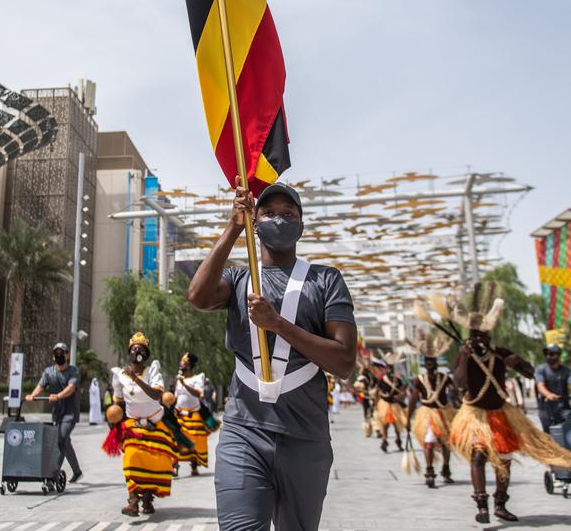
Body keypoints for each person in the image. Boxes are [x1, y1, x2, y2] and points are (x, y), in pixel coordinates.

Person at [188, 180, 357, 531]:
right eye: (268, 213)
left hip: (305, 439)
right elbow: (198, 296)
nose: (278, 220)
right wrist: (233, 228)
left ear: (301, 226)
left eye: (288, 214)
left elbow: (343, 362)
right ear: (255, 222)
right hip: (243, 432)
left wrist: (277, 323)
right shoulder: (238, 280)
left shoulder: (326, 280)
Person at [450, 290, 571, 524]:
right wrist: (465, 357)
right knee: (478, 457)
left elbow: (531, 372)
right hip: (475, 415)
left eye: (481, 334)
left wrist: (515, 362)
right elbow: (458, 383)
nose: (477, 338)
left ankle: (500, 503)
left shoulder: (500, 353)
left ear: (488, 334)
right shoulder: (464, 354)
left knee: (504, 459)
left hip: (500, 413)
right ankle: (481, 504)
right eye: (473, 334)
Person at [109, 333, 179, 516]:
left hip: (155, 421)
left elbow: (157, 395)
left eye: (141, 348)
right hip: (133, 423)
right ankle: (133, 501)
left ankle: (147, 499)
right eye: (133, 348)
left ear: (146, 353)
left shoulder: (152, 370)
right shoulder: (119, 375)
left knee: (153, 462)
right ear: (129, 352)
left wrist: (136, 378)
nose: (137, 350)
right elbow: (117, 402)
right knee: (131, 456)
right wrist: (114, 419)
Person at [26, 342, 83, 483]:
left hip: (70, 413)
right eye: (56, 352)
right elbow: (40, 386)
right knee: (65, 442)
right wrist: (32, 395)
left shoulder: (73, 371)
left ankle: (53, 472)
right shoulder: (48, 372)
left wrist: (58, 396)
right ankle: (77, 471)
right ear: (53, 357)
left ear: (67, 355)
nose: (59, 355)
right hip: (56, 413)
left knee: (61, 439)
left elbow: (70, 388)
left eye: (62, 352)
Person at [406, 332, 456, 488]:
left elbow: (455, 392)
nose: (430, 364)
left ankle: (446, 468)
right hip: (427, 414)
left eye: (432, 361)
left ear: (436, 362)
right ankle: (429, 470)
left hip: (444, 413)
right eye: (427, 362)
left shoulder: (445, 378)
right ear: (424, 363)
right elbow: (413, 400)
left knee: (446, 444)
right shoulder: (419, 380)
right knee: (429, 442)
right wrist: (408, 419)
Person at [172, 352, 209, 476]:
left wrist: (184, 384)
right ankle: (174, 466)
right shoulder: (179, 379)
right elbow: (177, 396)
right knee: (176, 440)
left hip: (193, 415)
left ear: (189, 365)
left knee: (193, 443)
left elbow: (199, 394)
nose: (180, 364)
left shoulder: (197, 378)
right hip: (180, 416)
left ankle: (194, 466)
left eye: (183, 362)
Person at [534, 344, 571, 432]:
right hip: (546, 410)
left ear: (559, 355)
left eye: (552, 354)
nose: (549, 356)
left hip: (563, 409)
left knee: (568, 434)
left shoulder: (566, 371)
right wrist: (548, 394)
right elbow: (540, 386)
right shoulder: (541, 369)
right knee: (550, 436)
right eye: (547, 354)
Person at [371, 358, 407, 453]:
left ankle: (398, 441)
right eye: (389, 367)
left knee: (396, 425)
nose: (390, 369)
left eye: (391, 367)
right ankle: (384, 441)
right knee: (385, 425)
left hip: (395, 405)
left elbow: (403, 392)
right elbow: (377, 392)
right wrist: (375, 404)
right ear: (386, 368)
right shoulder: (382, 379)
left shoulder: (398, 380)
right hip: (385, 405)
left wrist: (400, 396)